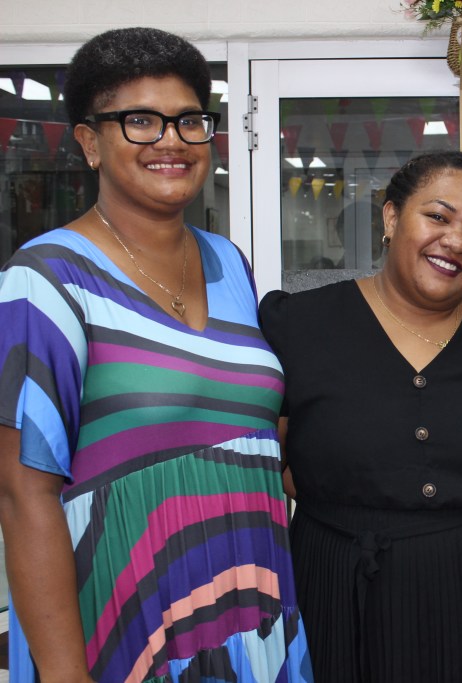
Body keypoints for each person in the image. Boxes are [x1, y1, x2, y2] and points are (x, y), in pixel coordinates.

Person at [0, 28, 312, 683]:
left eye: (188, 120)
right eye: (139, 120)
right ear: (89, 141)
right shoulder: (45, 278)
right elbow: (23, 493)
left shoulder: (228, 263)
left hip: (249, 609)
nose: (170, 140)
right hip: (119, 621)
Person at [259, 150, 462, 682]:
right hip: (337, 589)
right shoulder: (299, 325)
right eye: (438, 216)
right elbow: (262, 460)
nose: (456, 242)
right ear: (392, 216)